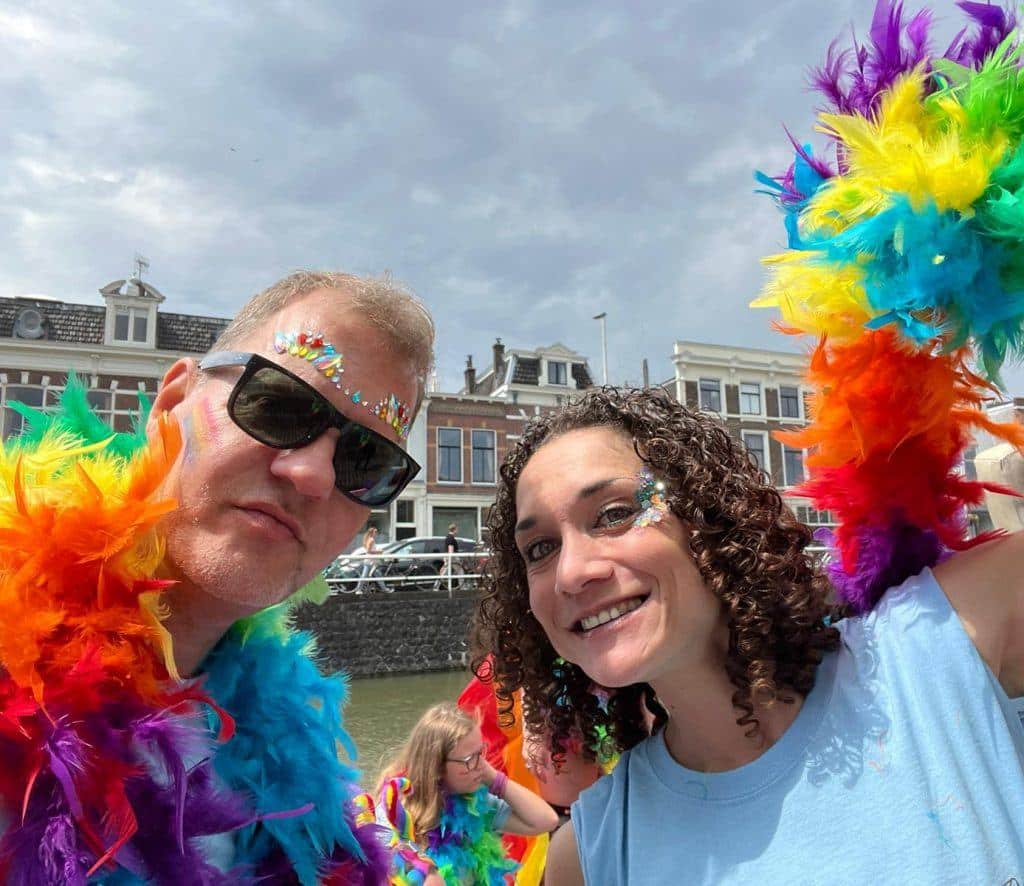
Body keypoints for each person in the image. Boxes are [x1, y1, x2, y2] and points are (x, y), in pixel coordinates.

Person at [473, 386, 1024, 884]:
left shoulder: (939, 639)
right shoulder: (592, 857)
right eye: (539, 549)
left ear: (705, 517)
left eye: (615, 513)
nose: (572, 572)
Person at [0, 270, 434, 882]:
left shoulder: (288, 760)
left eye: (367, 460)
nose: (310, 474)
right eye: (279, 407)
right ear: (171, 404)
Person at [372, 702, 558, 885]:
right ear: (436, 767)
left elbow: (546, 820)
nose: (480, 765)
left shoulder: (476, 805)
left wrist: (494, 778)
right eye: (470, 759)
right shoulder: (394, 813)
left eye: (480, 753)